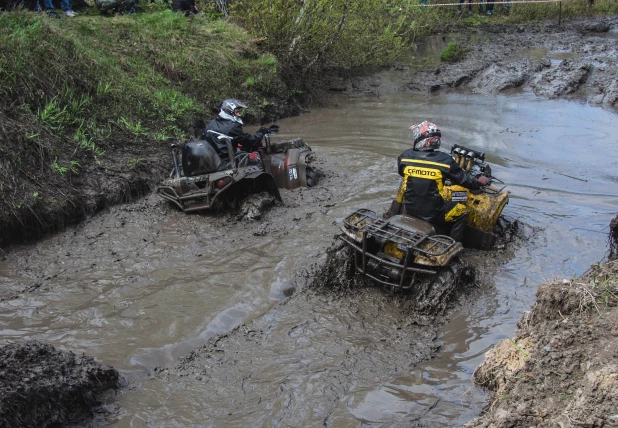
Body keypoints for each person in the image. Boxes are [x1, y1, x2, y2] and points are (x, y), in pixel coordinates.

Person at [396, 120, 491, 242]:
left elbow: (401, 172)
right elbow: (466, 181)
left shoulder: (405, 156)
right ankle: (454, 244)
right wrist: (480, 181)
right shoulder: (444, 160)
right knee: (462, 211)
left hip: (409, 208)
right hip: (433, 214)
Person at [201, 99, 267, 170]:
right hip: (226, 161)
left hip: (213, 160)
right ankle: (263, 177)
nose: (239, 114)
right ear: (230, 112)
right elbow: (252, 142)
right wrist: (260, 133)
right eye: (237, 112)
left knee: (240, 146)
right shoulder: (233, 127)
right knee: (255, 156)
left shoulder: (211, 124)